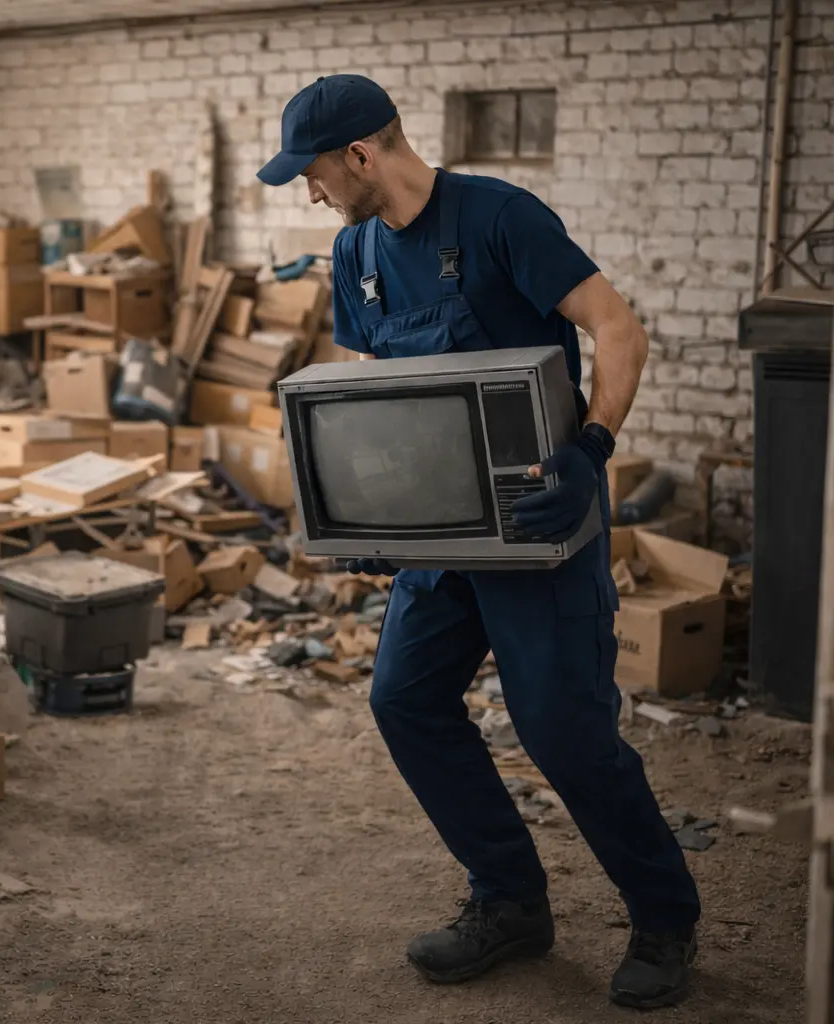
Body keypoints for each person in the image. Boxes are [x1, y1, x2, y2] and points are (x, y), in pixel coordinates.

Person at [258, 75, 701, 1009]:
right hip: (443, 535)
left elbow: (617, 327)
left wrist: (593, 447)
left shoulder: (502, 219)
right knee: (405, 701)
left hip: (541, 525)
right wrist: (375, 521)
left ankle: (665, 916)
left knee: (564, 733)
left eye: (315, 174)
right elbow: (382, 397)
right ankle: (510, 902)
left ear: (362, 156)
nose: (313, 193)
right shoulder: (355, 253)